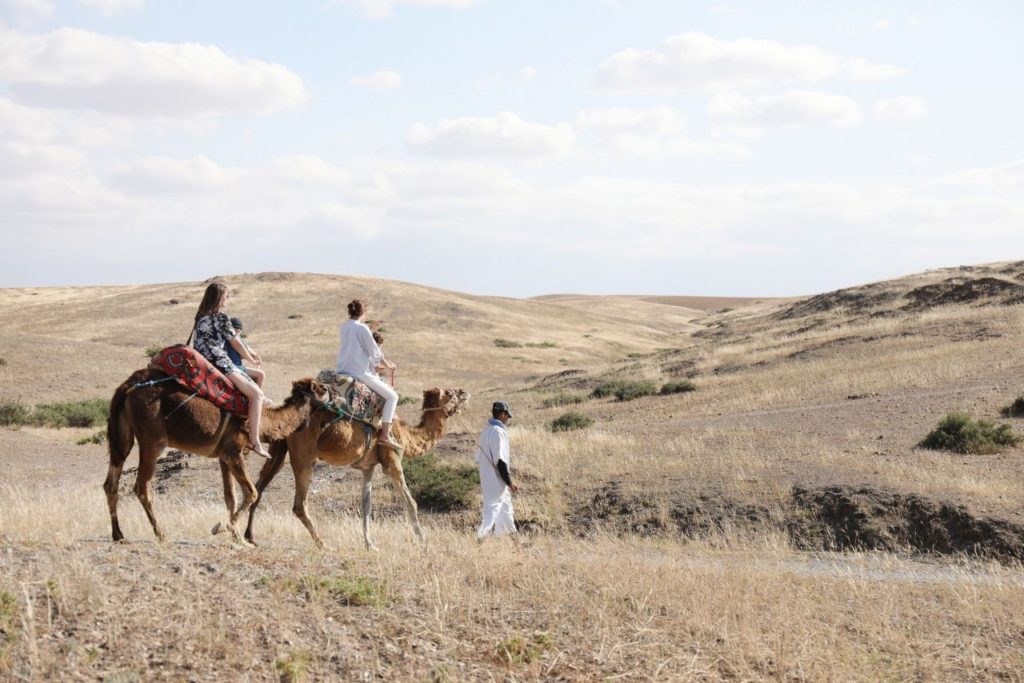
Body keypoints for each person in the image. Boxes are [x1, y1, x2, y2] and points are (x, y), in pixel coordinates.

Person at [189, 283, 271, 458]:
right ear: (219, 297)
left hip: (203, 364)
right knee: (257, 395)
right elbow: (236, 343)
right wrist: (251, 358)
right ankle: (255, 441)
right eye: (226, 296)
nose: (227, 299)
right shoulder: (221, 317)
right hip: (220, 363)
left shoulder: (200, 317)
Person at [336, 299, 400, 449]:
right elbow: (375, 353)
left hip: (342, 370)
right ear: (364, 313)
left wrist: (370, 327)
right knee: (392, 396)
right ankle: (385, 435)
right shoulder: (362, 328)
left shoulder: (344, 327)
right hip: (359, 372)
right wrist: (387, 365)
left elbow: (358, 337)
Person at [475, 400, 518, 539]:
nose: (507, 419)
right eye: (507, 415)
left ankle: (512, 536)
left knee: (505, 508)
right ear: (503, 414)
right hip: (495, 479)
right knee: (492, 509)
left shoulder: (486, 430)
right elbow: (500, 460)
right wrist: (509, 481)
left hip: (487, 476)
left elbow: (478, 458)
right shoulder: (498, 432)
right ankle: (480, 538)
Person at [225, 317, 266, 388]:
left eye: (239, 331)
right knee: (261, 375)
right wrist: (254, 359)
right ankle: (259, 395)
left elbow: (247, 349)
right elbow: (245, 349)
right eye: (237, 330)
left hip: (237, 367)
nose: (238, 333)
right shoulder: (232, 339)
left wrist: (255, 355)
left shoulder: (235, 338)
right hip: (235, 368)